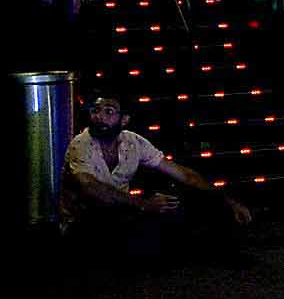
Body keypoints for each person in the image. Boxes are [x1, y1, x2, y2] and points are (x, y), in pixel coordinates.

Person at [62, 95, 252, 250]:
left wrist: (227, 200)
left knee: (178, 201)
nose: (99, 117)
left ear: (124, 119)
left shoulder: (132, 142)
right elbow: (90, 187)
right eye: (95, 111)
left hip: (121, 209)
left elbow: (184, 174)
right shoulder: (81, 143)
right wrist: (143, 204)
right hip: (87, 217)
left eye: (109, 112)